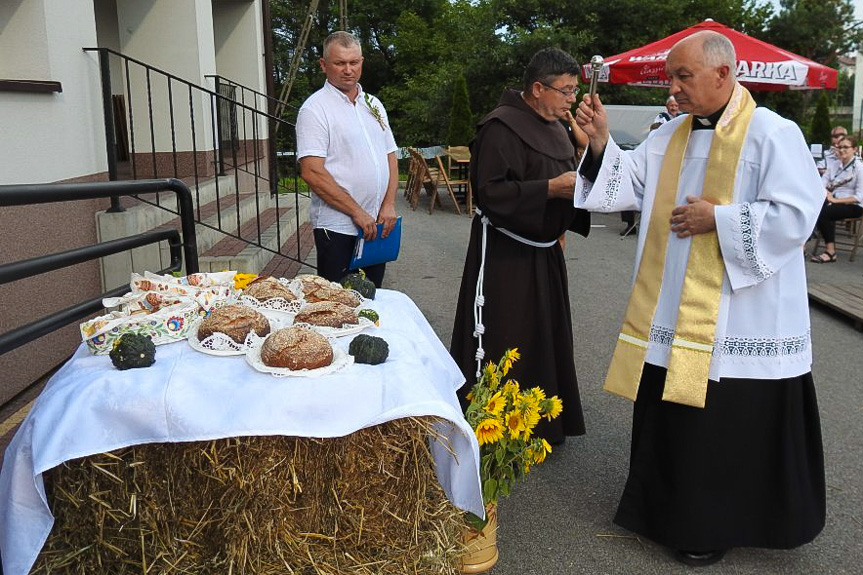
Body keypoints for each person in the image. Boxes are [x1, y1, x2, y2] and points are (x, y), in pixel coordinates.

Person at [574, 31, 825, 566]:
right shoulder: (670, 136)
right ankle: (668, 513)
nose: (673, 88)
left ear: (723, 73)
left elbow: (798, 215)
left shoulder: (773, 134)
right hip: (672, 309)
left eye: (682, 76)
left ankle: (717, 524)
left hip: (742, 320)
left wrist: (722, 219)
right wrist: (599, 144)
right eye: (670, 76)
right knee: (677, 421)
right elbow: (629, 184)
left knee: (725, 428)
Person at [450, 47, 591, 445]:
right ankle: (498, 422)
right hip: (507, 253)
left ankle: (542, 421)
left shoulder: (558, 125)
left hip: (544, 249)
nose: (570, 99)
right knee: (507, 335)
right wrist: (550, 189)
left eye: (573, 90)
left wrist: (561, 223)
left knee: (544, 335)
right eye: (564, 91)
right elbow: (490, 192)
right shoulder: (501, 127)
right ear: (536, 88)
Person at [296, 31, 399, 288]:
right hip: (339, 227)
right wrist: (357, 212)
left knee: (373, 298)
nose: (348, 70)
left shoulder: (373, 104)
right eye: (340, 63)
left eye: (354, 62)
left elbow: (390, 157)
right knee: (337, 305)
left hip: (376, 225)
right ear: (323, 65)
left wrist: (388, 205)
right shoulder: (315, 109)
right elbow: (312, 172)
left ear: (362, 61)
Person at [810, 134, 863, 263]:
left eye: (846, 147)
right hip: (833, 200)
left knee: (824, 213)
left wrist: (835, 200)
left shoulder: (860, 168)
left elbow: (859, 197)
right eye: (839, 147)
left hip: (853, 205)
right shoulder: (834, 164)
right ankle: (802, 246)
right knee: (812, 208)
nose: (841, 150)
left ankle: (831, 252)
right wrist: (826, 193)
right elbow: (822, 184)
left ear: (854, 149)